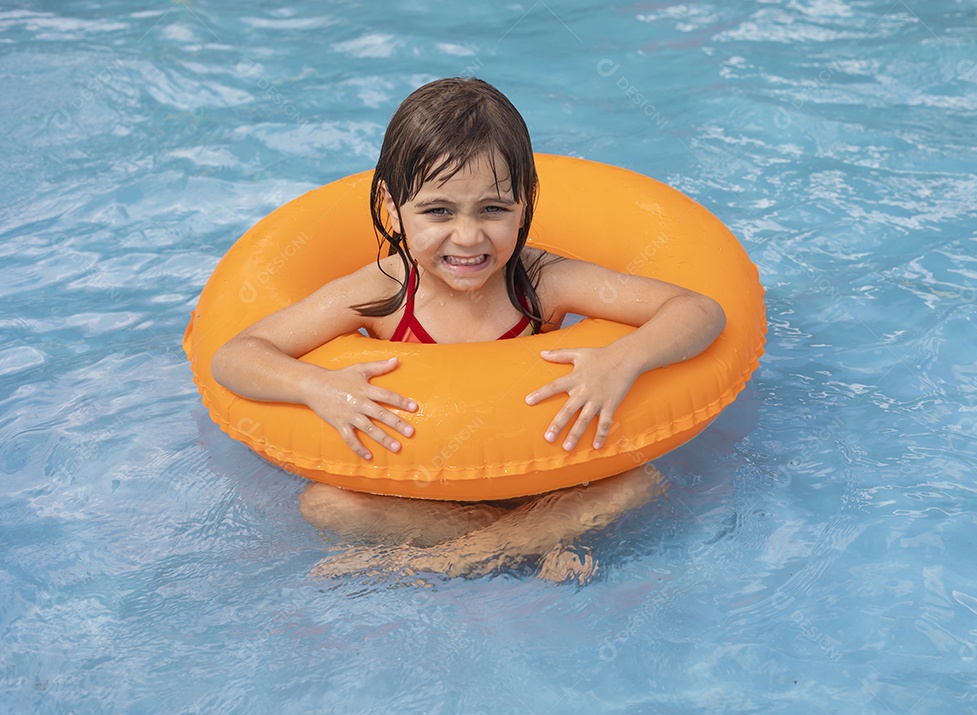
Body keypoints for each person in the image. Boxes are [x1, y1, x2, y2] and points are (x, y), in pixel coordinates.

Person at [211, 77, 726, 583]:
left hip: (541, 477)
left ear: (526, 200)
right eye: (438, 211)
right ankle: (527, 540)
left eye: (493, 209)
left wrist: (622, 359)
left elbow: (699, 311)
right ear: (392, 206)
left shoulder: (543, 281)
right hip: (425, 493)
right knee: (327, 505)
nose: (467, 236)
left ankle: (446, 562)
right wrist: (318, 387)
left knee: (637, 483)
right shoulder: (382, 292)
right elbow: (236, 356)